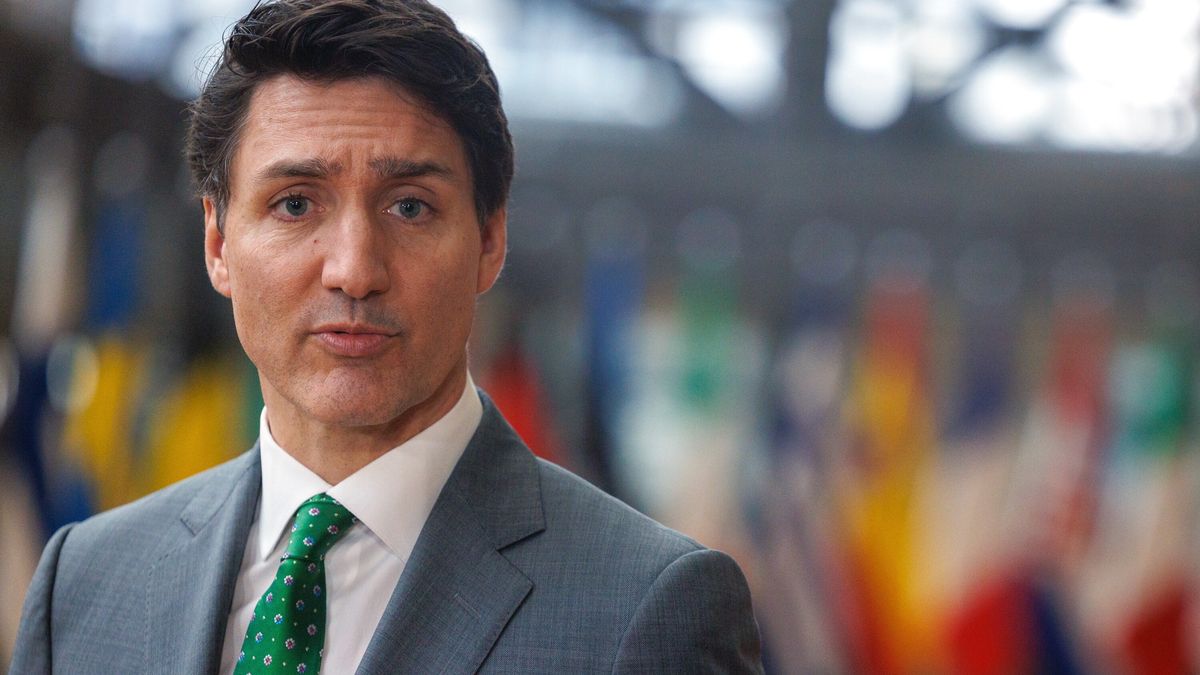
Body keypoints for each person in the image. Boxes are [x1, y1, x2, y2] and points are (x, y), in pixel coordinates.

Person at [10, 0, 763, 672]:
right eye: (296, 203)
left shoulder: (650, 608)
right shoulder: (83, 585)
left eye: (409, 207)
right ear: (216, 244)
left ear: (490, 240)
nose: (354, 270)